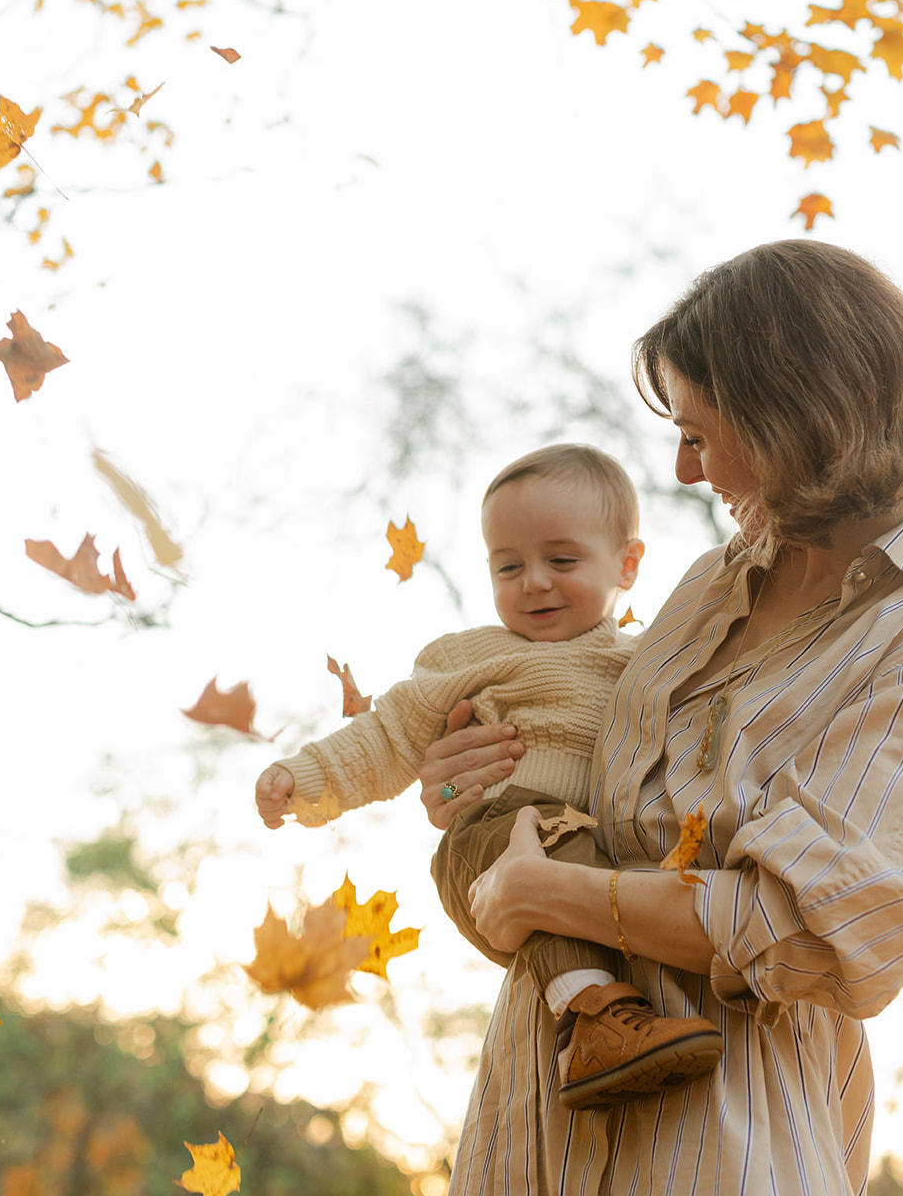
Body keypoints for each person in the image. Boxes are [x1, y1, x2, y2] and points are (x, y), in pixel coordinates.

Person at [419, 241, 903, 1196]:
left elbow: (808, 935)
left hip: (712, 1191)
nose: (682, 471)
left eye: (701, 435)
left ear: (797, 413)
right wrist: (473, 776)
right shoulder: (708, 585)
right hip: (528, 1154)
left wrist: (548, 891)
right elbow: (600, 797)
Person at [254, 443, 723, 1108]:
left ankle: (602, 1028)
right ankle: (592, 1023)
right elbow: (388, 735)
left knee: (577, 859)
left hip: (587, 851)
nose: (533, 581)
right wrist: (303, 777)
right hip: (491, 838)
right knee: (548, 841)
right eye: (509, 565)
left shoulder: (644, 661)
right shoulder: (474, 659)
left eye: (560, 560)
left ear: (626, 562)